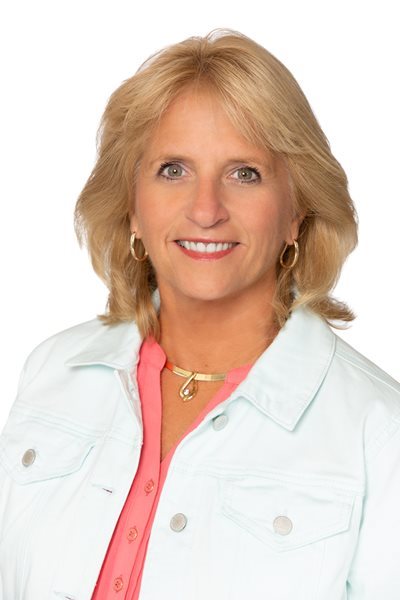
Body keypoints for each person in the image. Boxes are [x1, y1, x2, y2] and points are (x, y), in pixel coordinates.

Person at [0, 28, 399, 600]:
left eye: (244, 173)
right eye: (173, 170)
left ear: (296, 214)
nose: (206, 210)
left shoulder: (379, 435)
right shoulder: (52, 371)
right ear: (132, 208)